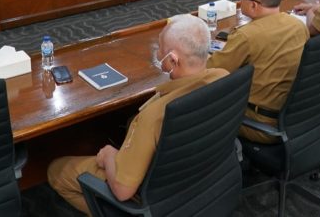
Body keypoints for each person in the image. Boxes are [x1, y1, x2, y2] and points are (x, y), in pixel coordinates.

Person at [47, 14, 227, 214]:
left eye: (161, 49)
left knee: (56, 171)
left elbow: (123, 191)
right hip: (200, 175)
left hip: (151, 193)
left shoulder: (153, 117)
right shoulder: (223, 77)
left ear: (174, 59)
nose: (158, 55)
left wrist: (109, 155)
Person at [207, 0, 309, 143]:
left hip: (260, 123)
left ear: (254, 5)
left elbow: (211, 71)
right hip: (294, 116)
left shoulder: (247, 36)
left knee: (203, 106)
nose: (239, 1)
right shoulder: (298, 25)